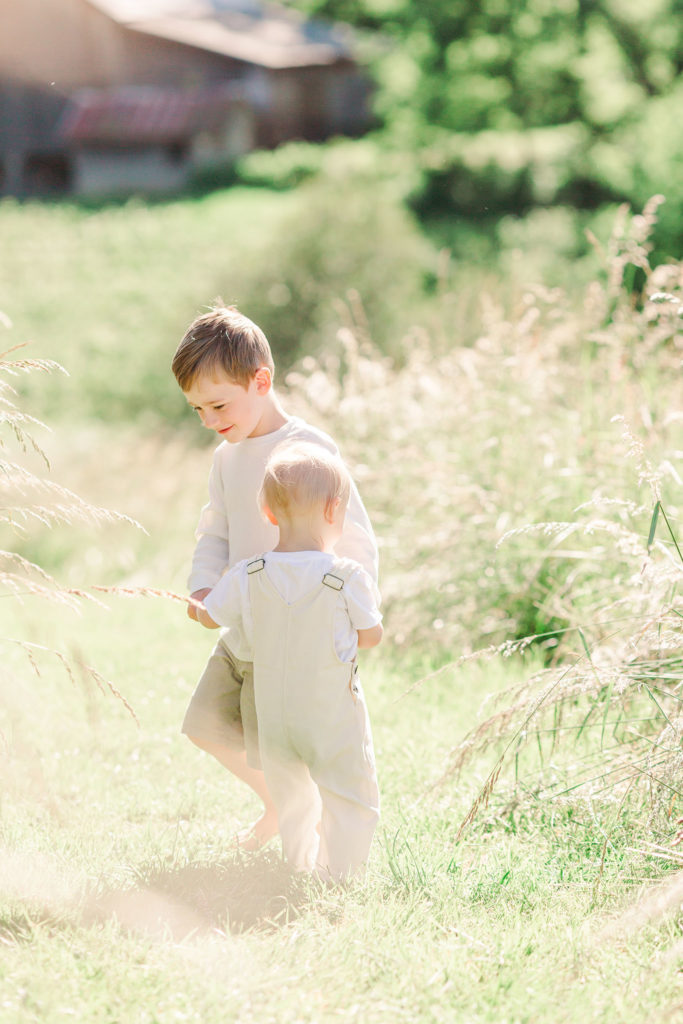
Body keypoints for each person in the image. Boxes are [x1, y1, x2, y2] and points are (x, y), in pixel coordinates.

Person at [171, 304, 379, 850]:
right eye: (197, 409)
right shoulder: (226, 457)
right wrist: (203, 585)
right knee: (206, 725)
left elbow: (352, 538)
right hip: (243, 627)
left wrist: (357, 619)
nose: (210, 420)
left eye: (218, 404)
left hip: (297, 635)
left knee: (287, 744)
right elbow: (214, 530)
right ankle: (279, 804)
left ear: (261, 381)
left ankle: (302, 819)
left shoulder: (306, 451)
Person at [195, 442, 382, 882]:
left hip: (275, 718)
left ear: (268, 512)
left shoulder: (248, 573)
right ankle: (340, 876)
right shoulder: (346, 576)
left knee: (294, 799)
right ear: (335, 510)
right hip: (330, 715)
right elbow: (371, 636)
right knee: (350, 794)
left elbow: (210, 617)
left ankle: (298, 867)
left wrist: (196, 605)